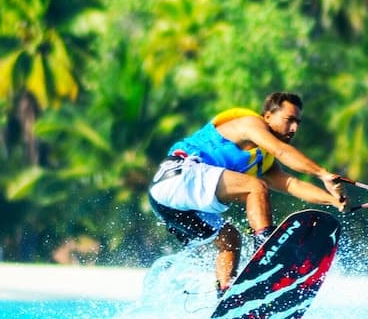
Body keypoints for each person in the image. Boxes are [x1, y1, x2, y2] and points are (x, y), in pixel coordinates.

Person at [148, 92, 347, 296]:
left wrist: (332, 200)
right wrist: (323, 173)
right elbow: (281, 151)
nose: (294, 128)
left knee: (230, 241)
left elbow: (292, 184)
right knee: (255, 186)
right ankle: (267, 250)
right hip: (178, 175)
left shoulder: (262, 161)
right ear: (268, 115)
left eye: (298, 122)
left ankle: (225, 294)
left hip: (166, 205)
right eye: (289, 120)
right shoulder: (249, 124)